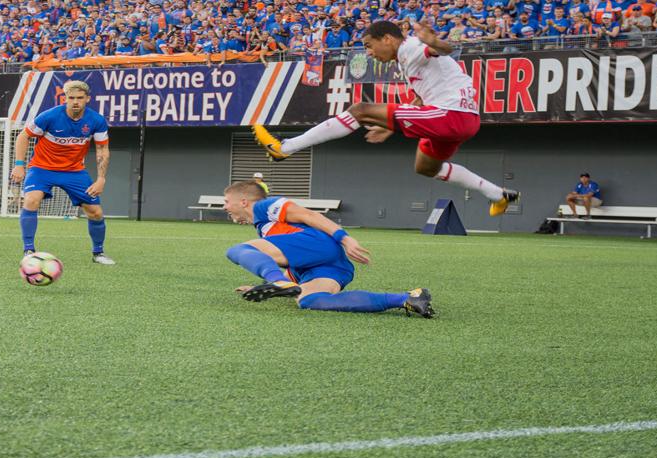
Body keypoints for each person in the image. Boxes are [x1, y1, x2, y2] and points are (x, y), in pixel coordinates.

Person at [252, 20, 517, 217]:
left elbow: (443, 49)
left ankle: (284, 148)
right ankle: (497, 194)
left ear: (388, 38)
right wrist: (389, 127)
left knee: (360, 110)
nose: (368, 52)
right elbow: (421, 99)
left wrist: (433, 41)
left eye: (369, 46)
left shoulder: (411, 48)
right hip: (458, 119)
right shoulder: (406, 59)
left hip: (450, 115)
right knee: (426, 167)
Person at [222, 180, 433, 318]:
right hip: (329, 265)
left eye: (226, 202)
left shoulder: (264, 206)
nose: (224, 207)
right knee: (310, 300)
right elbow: (292, 259)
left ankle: (276, 280)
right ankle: (408, 297)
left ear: (243, 202)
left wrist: (345, 238)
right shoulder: (267, 228)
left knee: (236, 250)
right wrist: (262, 287)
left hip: (318, 245)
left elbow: (310, 216)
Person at [11, 79, 115, 265]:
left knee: (95, 212)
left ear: (87, 99)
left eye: (80, 98)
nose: (75, 101)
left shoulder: (96, 121)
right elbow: (24, 136)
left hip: (74, 171)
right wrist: (19, 164)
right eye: (71, 97)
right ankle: (29, 251)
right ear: (64, 98)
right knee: (31, 199)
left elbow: (102, 150)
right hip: (42, 168)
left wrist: (101, 179)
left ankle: (98, 253)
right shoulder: (49, 116)